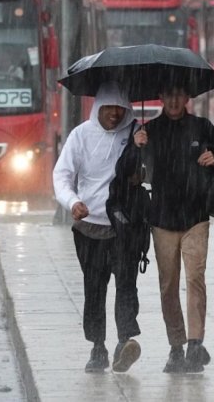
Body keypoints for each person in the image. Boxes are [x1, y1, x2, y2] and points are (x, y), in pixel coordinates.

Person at [128, 81, 214, 373]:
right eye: (168, 94)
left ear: (188, 97)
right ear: (160, 96)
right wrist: (138, 147)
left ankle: (195, 344)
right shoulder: (149, 131)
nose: (174, 100)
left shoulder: (202, 127)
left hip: (196, 218)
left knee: (195, 277)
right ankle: (176, 346)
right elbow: (137, 173)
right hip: (161, 220)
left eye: (179, 94)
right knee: (168, 285)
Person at [52, 81, 143, 374]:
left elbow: (150, 173)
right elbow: (62, 175)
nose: (115, 114)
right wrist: (72, 202)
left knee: (126, 284)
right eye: (109, 108)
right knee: (94, 289)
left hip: (124, 227)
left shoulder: (136, 135)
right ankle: (97, 347)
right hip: (89, 229)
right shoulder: (80, 136)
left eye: (120, 108)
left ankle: (124, 341)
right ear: (98, 108)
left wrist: (142, 158)